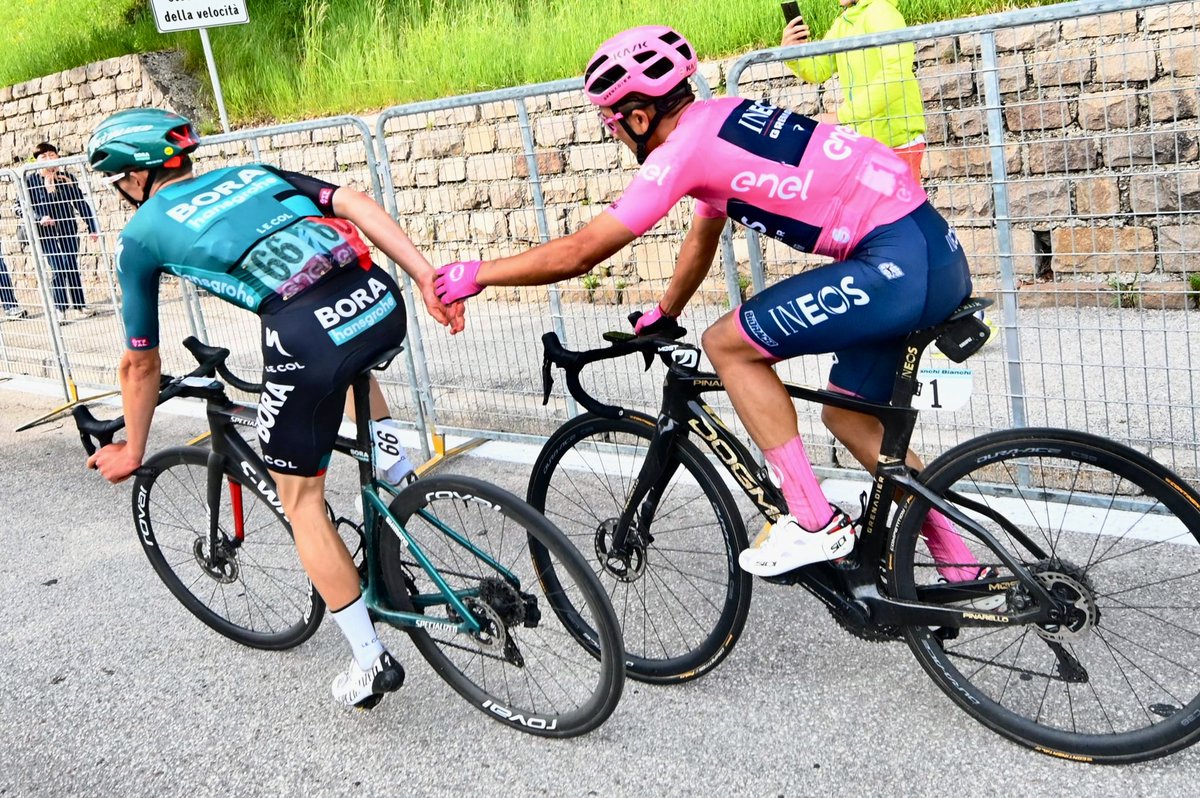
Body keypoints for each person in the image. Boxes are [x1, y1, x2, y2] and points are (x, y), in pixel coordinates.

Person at [434, 25, 984, 580]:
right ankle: (963, 568)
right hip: (932, 253)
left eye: (613, 126)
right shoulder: (724, 116)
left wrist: (475, 274)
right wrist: (666, 311)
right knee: (848, 416)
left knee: (727, 344)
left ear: (639, 117)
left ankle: (813, 522)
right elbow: (704, 233)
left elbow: (581, 253)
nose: (618, 138)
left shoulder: (682, 152)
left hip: (894, 264)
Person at [83, 108, 463, 709]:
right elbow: (357, 202)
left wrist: (132, 446)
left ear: (132, 177)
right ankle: (394, 466)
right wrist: (424, 277)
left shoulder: (141, 235)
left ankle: (370, 662)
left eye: (116, 183)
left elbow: (140, 364)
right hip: (381, 301)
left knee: (302, 499)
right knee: (346, 363)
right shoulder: (252, 172)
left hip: (308, 335)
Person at [783, 0, 927, 182]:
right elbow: (818, 69)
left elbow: (895, 73)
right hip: (867, 144)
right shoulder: (844, 22)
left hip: (897, 142)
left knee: (901, 210)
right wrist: (792, 53)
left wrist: (841, 116)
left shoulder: (881, 12)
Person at [25, 142, 100, 320]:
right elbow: (21, 207)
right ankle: (60, 308)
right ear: (36, 161)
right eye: (43, 156)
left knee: (71, 265)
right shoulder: (30, 181)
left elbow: (80, 203)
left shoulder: (67, 178)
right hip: (45, 233)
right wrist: (40, 217)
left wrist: (92, 227)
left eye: (52, 155)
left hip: (68, 228)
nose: (48, 159)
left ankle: (80, 305)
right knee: (59, 266)